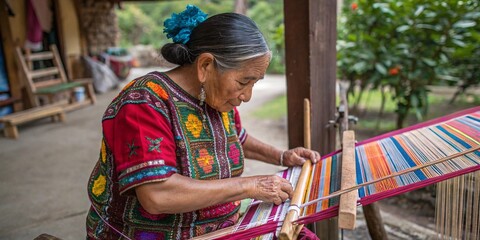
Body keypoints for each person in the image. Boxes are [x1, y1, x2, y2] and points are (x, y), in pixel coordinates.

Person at [86, 5, 321, 240]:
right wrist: (251, 186)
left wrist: (282, 157)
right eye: (243, 82)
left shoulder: (216, 98)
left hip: (218, 228)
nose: (247, 95)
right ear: (206, 65)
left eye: (254, 83)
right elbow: (157, 195)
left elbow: (238, 139)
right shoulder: (144, 102)